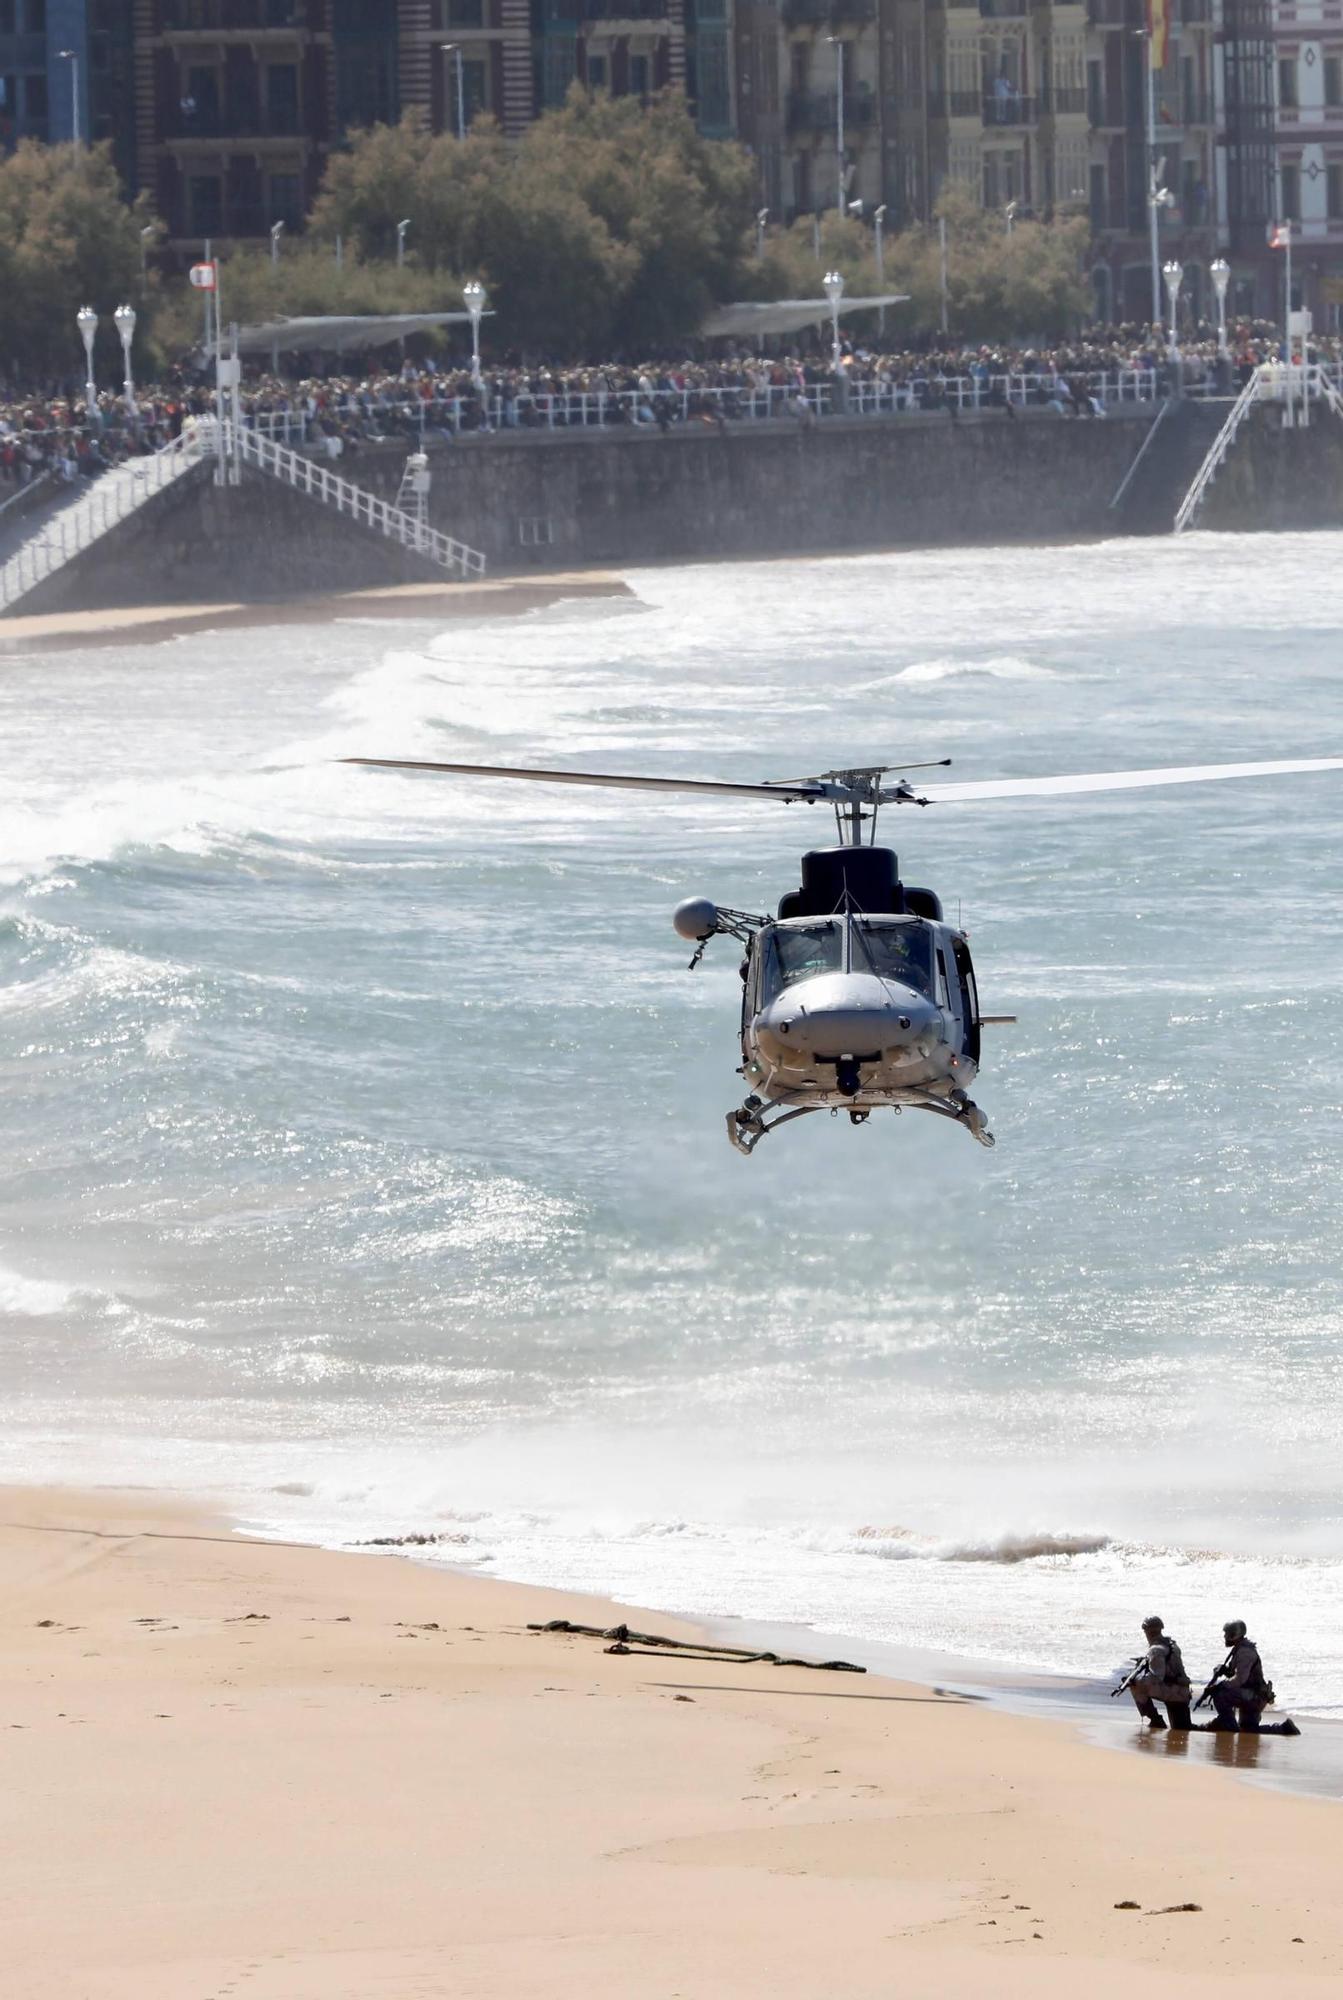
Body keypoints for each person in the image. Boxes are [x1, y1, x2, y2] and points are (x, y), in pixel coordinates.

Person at [1127, 1615, 1193, 1730]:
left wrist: (1135, 1679)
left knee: (1135, 1686)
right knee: (1182, 1728)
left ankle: (1155, 1720)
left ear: (1148, 1632)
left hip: (1173, 1692)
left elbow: (1156, 1678)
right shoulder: (1172, 1644)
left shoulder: (1155, 1650)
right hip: (1182, 1691)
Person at [1204, 1620, 1271, 1733]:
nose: (1224, 1636)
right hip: (1253, 1695)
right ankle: (1284, 1728)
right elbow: (1237, 1674)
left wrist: (1220, 1685)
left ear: (1233, 1635)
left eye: (1227, 1634)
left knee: (1220, 1694)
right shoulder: (1240, 1649)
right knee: (1249, 1729)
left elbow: (1240, 1680)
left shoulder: (1244, 1652)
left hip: (1253, 1696)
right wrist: (1224, 1670)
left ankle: (1229, 1726)